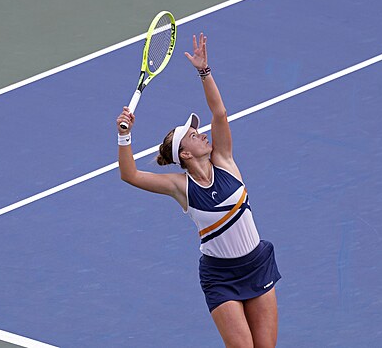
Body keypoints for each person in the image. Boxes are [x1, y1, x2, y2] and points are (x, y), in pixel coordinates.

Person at [116, 33, 281, 347]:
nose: (202, 134)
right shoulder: (181, 187)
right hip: (221, 277)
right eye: (193, 135)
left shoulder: (225, 160)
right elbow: (130, 174)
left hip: (257, 264)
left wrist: (204, 73)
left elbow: (219, 113)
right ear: (185, 154)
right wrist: (124, 136)